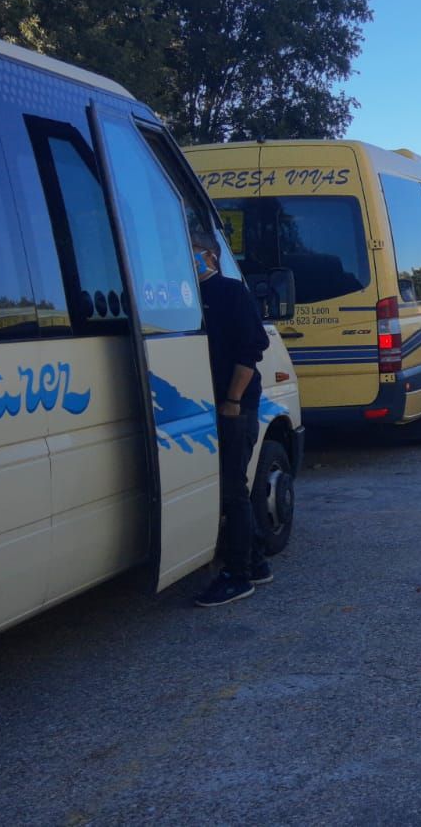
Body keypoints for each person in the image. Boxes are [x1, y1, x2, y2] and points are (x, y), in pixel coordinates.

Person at [192, 236, 273, 607]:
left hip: (235, 407)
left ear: (212, 255)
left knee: (232, 489)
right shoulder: (185, 294)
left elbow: (251, 350)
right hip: (210, 405)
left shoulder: (230, 292)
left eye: (195, 250)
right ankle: (255, 563)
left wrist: (233, 399)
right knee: (233, 485)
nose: (190, 258)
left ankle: (237, 575)